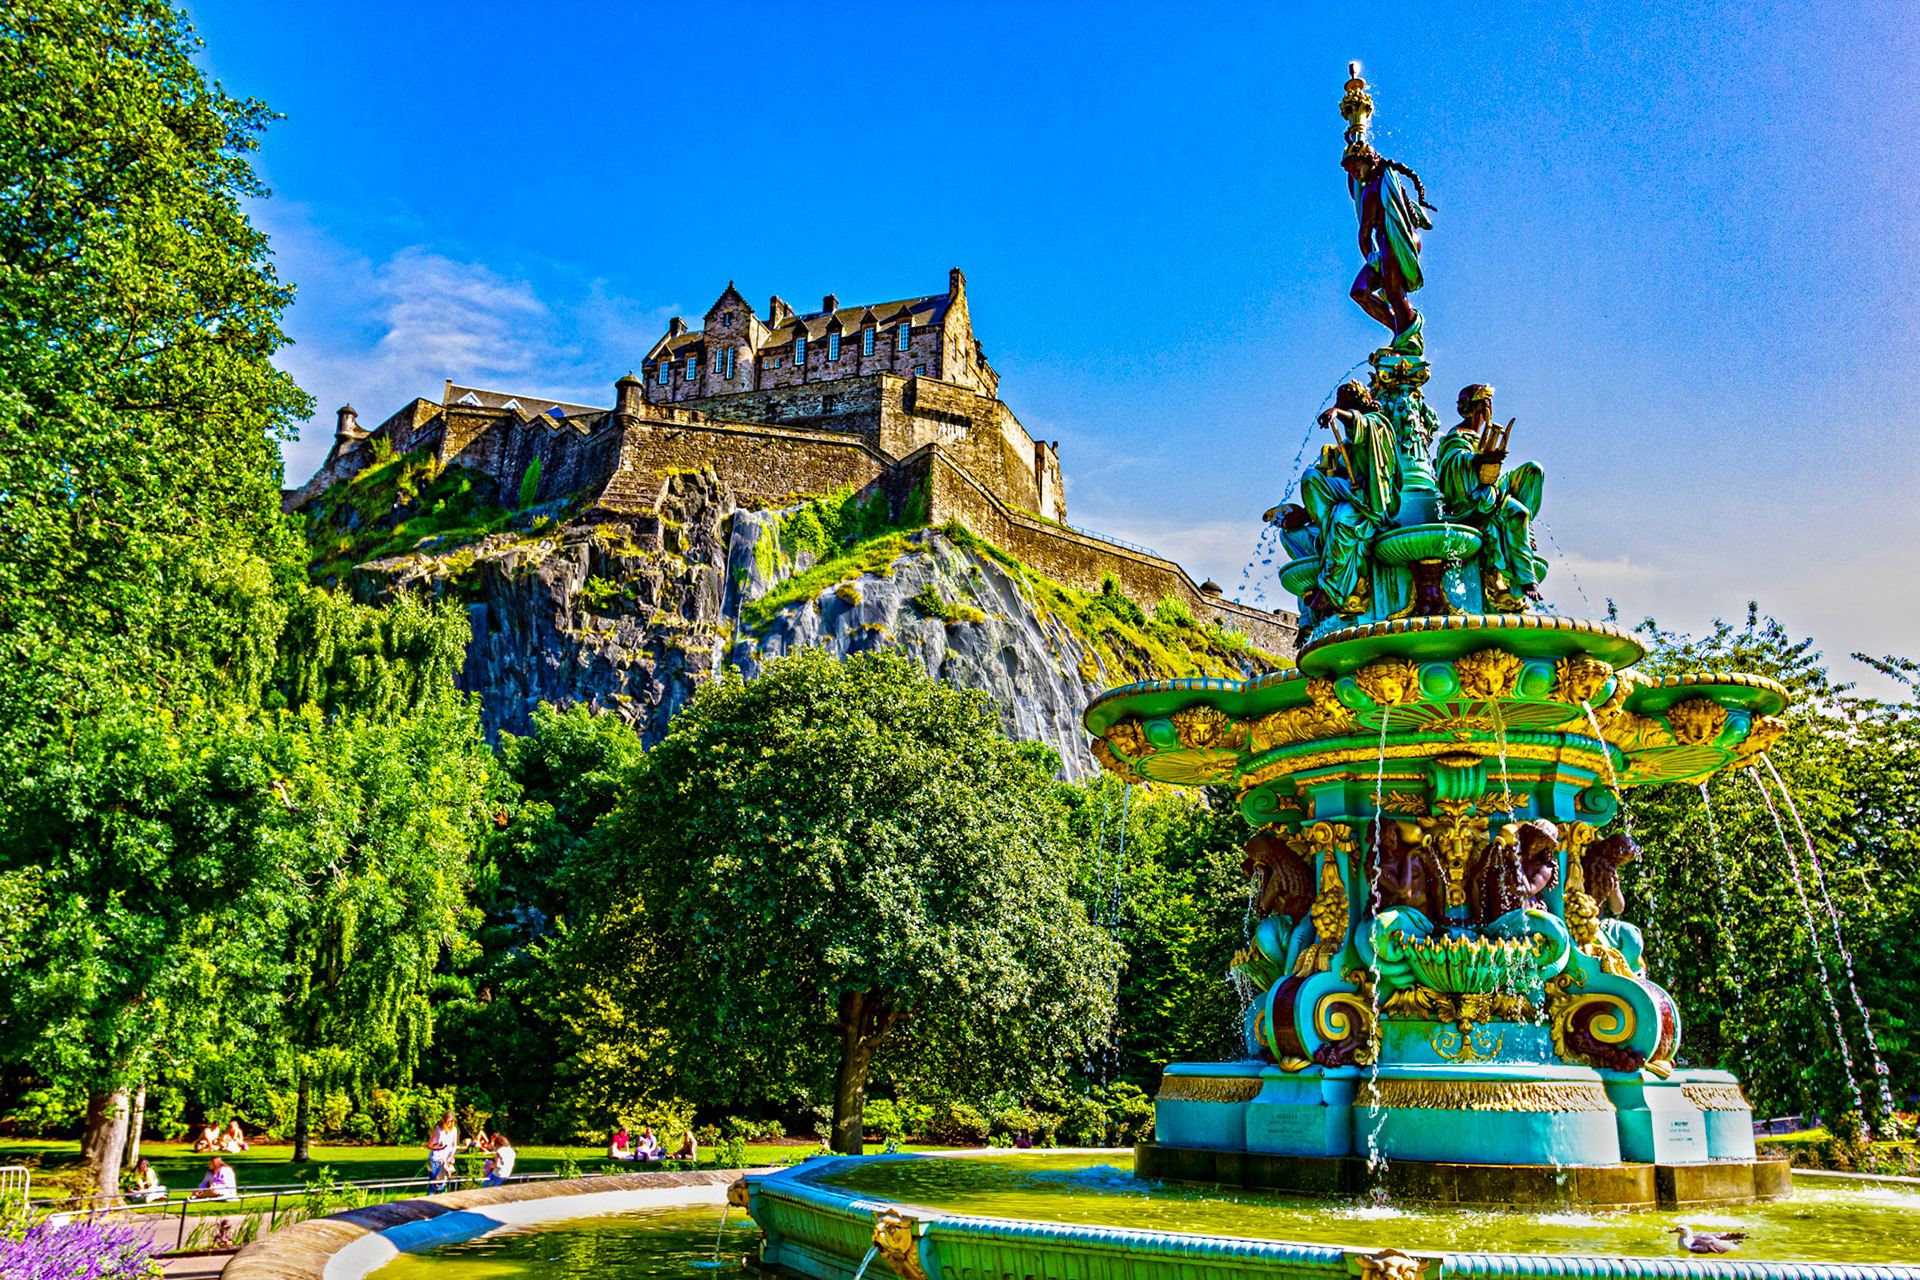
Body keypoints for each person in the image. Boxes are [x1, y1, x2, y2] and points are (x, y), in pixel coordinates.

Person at [1437, 385, 1546, 610]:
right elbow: (1450, 466)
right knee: (1518, 512)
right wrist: (1478, 459)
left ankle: (1525, 530)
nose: (1489, 408)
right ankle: (1526, 579)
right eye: (1485, 404)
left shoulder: (1480, 434)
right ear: (1474, 408)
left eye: (1489, 404)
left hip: (1491, 489)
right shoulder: (1456, 435)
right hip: (1471, 499)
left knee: (1533, 471)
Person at [1300, 381, 1400, 617]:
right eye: (1338, 402)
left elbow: (1362, 425)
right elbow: (1342, 468)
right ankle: (1328, 538)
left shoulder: (1379, 424)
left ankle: (1332, 588)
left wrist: (1340, 414)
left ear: (1356, 405)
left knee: (1343, 519)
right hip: (1351, 490)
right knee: (1311, 478)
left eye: (1343, 402)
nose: (1337, 406)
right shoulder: (1349, 442)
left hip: (1373, 497)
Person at [1342, 140, 1436, 341]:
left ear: (1368, 161)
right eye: (1350, 172)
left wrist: (1371, 257)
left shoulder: (1373, 189)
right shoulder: (1385, 179)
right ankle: (1402, 331)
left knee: (1393, 292)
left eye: (1356, 168)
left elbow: (1364, 235)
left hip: (1392, 241)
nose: (1354, 175)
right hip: (1400, 240)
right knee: (1361, 291)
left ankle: (1406, 336)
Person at [426, 1111, 459, 1192]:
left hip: (446, 1159)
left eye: (452, 1121)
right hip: (436, 1158)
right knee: (434, 1183)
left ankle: (441, 1199)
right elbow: (429, 1145)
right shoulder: (438, 1130)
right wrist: (438, 1147)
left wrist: (452, 1155)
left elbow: (454, 1145)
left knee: (443, 1182)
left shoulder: (454, 1129)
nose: (449, 1123)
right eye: (448, 1121)